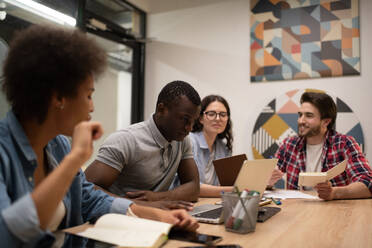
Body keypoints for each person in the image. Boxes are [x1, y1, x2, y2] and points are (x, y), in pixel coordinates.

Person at [0, 25, 198, 247]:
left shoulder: (58, 146)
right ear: (59, 98)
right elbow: (7, 236)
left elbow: (88, 198)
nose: (92, 107)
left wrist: (155, 215)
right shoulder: (9, 151)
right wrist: (74, 160)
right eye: (88, 95)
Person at [85, 81, 201, 206]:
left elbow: (194, 188)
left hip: (154, 217)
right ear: (161, 109)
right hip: (118, 219)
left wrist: (156, 198)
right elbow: (87, 189)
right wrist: (140, 206)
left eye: (193, 122)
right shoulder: (125, 140)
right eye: (184, 119)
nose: (189, 128)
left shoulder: (182, 140)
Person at [268, 91, 372, 200]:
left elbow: (368, 183)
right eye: (300, 115)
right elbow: (266, 178)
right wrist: (267, 182)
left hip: (334, 212)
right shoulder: (289, 144)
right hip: (297, 212)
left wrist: (334, 193)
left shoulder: (344, 143)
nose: (301, 121)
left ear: (326, 122)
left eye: (309, 115)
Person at [189, 95, 234, 197]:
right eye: (211, 114)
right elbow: (191, 187)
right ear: (200, 118)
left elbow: (225, 184)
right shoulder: (190, 142)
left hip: (210, 203)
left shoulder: (223, 148)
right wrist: (233, 190)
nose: (218, 119)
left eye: (223, 114)